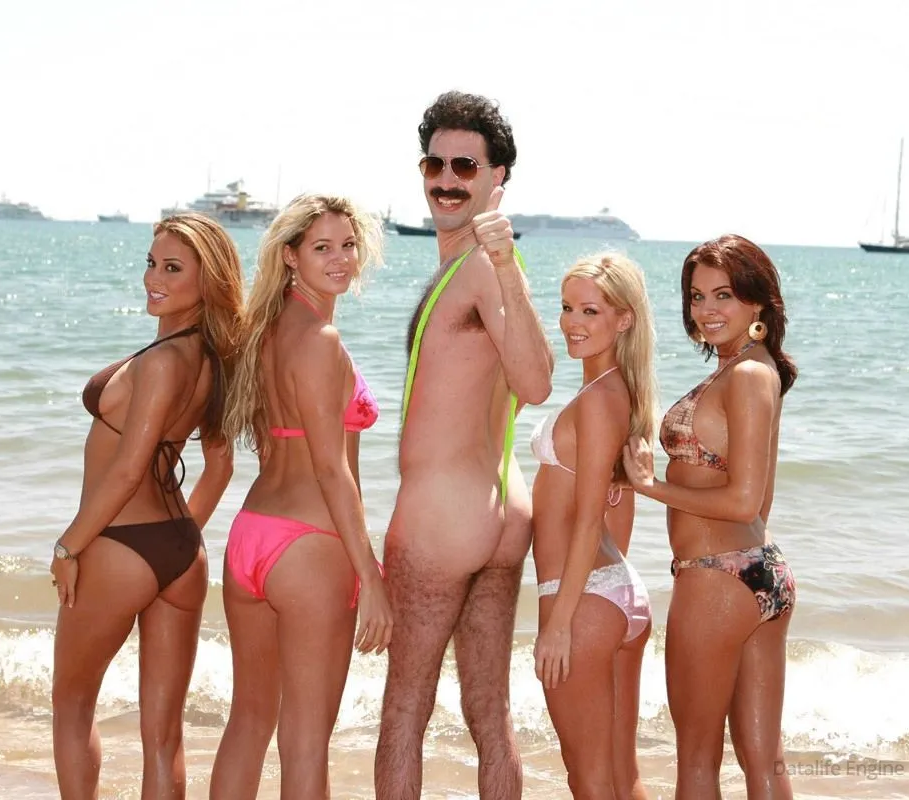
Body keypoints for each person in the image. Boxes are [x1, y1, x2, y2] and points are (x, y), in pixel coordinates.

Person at [375, 90, 554, 800]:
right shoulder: (480, 268)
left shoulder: (483, 266)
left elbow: (535, 382)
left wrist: (503, 262)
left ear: (496, 176)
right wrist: (504, 265)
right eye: (435, 164)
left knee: (404, 710)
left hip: (444, 518)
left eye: (465, 167)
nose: (446, 180)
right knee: (489, 710)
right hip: (498, 509)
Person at [50, 212, 245, 799]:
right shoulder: (211, 359)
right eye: (152, 263)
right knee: (163, 737)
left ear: (208, 280)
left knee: (72, 705)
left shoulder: (163, 362)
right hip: (181, 552)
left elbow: (127, 470)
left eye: (173, 268)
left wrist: (69, 547)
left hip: (118, 544)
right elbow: (220, 467)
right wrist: (174, 543)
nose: (154, 278)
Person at [210, 194, 392, 799]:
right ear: (291, 256)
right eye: (322, 248)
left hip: (251, 537)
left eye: (348, 245)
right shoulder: (320, 338)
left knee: (248, 720)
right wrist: (371, 576)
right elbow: (332, 471)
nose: (341, 259)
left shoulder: (263, 332)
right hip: (310, 547)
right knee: (306, 742)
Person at [622, 234, 798, 800]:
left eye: (724, 294)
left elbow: (744, 500)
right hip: (762, 573)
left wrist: (650, 486)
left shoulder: (745, 376)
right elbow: (761, 502)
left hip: (716, 578)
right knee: (764, 763)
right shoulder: (757, 371)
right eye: (697, 297)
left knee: (697, 764)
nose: (707, 310)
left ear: (757, 301)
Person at [530, 253, 656, 799]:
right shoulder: (614, 392)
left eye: (590, 311)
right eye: (566, 308)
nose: (572, 323)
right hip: (610, 594)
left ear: (623, 319)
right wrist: (609, 599)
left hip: (580, 597)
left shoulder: (600, 399)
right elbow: (616, 509)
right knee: (621, 778)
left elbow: (587, 521)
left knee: (589, 779)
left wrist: (561, 624)